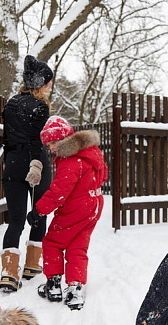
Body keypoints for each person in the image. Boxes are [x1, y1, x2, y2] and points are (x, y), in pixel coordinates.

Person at [26, 116, 108, 310]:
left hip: (76, 207)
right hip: (94, 204)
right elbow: (103, 175)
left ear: (63, 139)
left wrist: (39, 210)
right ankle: (75, 289)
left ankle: (53, 285)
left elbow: (59, 192)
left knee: (52, 243)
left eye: (53, 143)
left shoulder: (71, 160)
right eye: (48, 144)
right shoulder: (92, 153)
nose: (51, 148)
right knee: (78, 246)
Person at [0, 55, 54, 292]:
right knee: (39, 213)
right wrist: (35, 164)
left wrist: (12, 161)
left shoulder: (11, 103)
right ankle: (32, 265)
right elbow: (35, 139)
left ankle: (9, 274)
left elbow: (7, 139)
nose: (50, 84)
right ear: (41, 83)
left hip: (13, 163)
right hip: (35, 163)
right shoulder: (40, 106)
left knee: (16, 220)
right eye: (49, 81)